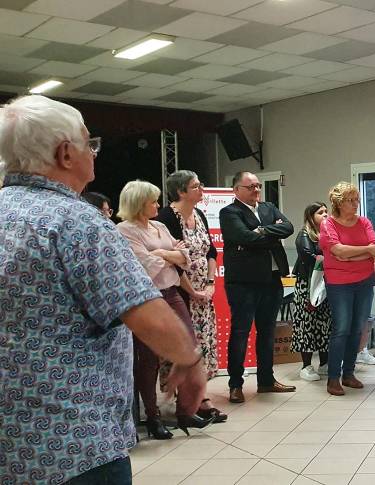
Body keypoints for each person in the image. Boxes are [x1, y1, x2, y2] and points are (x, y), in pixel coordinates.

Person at [0, 94, 205, 483]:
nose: (94, 153)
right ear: (65, 153)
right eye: (88, 143)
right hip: (73, 445)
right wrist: (190, 360)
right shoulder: (78, 222)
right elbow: (148, 316)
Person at [116, 180, 214, 438]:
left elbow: (186, 258)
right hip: (147, 299)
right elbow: (143, 265)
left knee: (189, 347)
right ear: (139, 203)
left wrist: (163, 254)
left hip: (172, 293)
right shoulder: (124, 230)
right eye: (153, 201)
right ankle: (153, 416)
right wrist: (170, 255)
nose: (158, 205)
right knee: (148, 359)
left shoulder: (159, 226)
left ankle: (185, 411)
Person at [156, 170, 226, 423]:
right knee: (182, 345)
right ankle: (182, 402)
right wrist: (192, 291)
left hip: (203, 294)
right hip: (179, 292)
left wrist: (209, 283)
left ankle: (199, 397)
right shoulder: (166, 217)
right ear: (181, 191)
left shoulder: (199, 215)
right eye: (196, 186)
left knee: (202, 344)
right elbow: (173, 262)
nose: (202, 189)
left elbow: (211, 253)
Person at [221, 171, 295, 403]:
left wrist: (262, 230)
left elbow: (288, 227)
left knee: (267, 332)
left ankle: (266, 380)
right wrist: (271, 232)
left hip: (271, 279)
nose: (256, 190)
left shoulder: (268, 208)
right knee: (241, 332)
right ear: (236, 190)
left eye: (258, 186)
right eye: (250, 186)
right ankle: (235, 384)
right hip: (244, 282)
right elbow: (245, 237)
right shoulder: (229, 212)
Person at [319, 181, 375, 396]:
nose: (356, 204)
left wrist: (351, 256)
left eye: (357, 200)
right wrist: (364, 252)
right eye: (350, 200)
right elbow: (338, 250)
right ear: (338, 202)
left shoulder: (364, 222)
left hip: (364, 281)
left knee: (357, 328)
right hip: (339, 283)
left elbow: (374, 251)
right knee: (342, 328)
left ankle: (349, 373)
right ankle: (333, 378)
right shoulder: (328, 224)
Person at [292, 202, 332, 381]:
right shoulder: (304, 235)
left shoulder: (328, 234)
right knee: (306, 324)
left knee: (325, 324)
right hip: (307, 285)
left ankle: (325, 363)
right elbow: (309, 257)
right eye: (320, 212)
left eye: (326, 211)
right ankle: (306, 366)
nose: (325, 214)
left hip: (325, 284)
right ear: (311, 216)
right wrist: (325, 258)